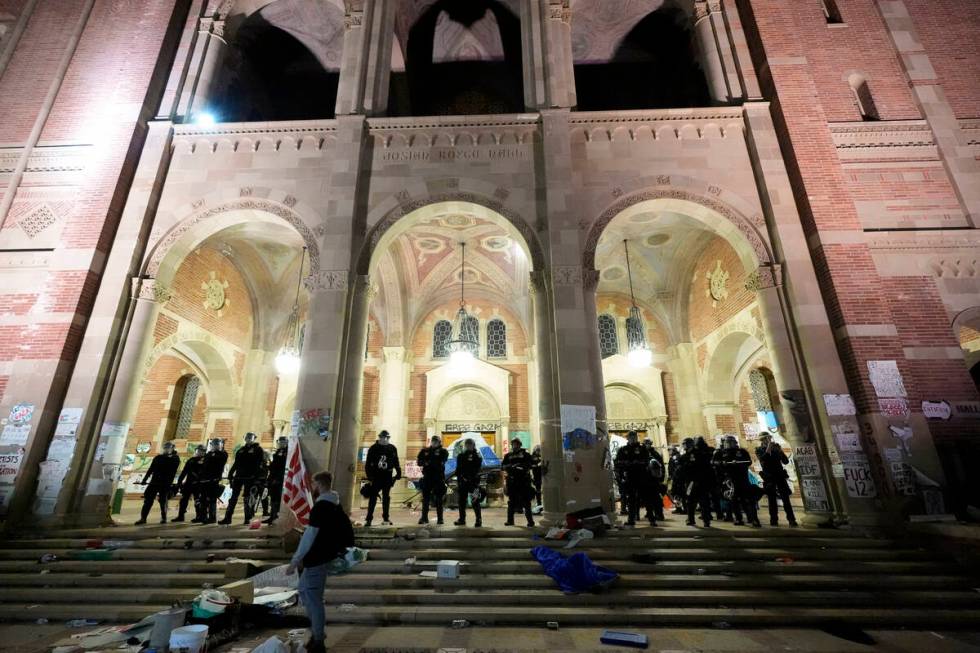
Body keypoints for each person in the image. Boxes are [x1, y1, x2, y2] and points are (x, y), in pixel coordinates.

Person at [287, 471, 354, 653]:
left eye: (313, 484)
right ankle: (316, 631)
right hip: (322, 556)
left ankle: (318, 639)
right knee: (303, 590)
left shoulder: (322, 507)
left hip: (318, 558)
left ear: (319, 484)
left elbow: (310, 536)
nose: (312, 487)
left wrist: (295, 560)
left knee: (314, 599)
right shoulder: (334, 504)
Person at [219, 432, 265, 525]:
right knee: (233, 498)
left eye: (250, 437)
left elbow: (259, 464)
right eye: (247, 437)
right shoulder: (241, 450)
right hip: (239, 476)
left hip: (250, 477)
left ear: (254, 438)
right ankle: (227, 518)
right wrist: (230, 474)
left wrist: (256, 477)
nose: (248, 439)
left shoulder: (258, 449)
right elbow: (236, 463)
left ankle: (247, 518)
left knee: (247, 498)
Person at [717, 435, 761, 527]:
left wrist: (737, 462)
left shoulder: (742, 451)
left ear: (735, 443)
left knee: (749, 501)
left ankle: (754, 519)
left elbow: (748, 461)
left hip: (743, 479)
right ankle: (738, 519)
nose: (728, 444)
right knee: (734, 501)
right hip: (731, 481)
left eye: (730, 442)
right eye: (727, 442)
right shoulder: (722, 453)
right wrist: (722, 463)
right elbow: (715, 463)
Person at [756, 432, 798, 527]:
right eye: (765, 439)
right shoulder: (759, 450)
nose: (768, 440)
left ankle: (791, 519)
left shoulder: (776, 448)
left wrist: (780, 451)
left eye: (769, 438)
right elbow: (763, 460)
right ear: (762, 441)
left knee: (785, 499)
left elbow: (785, 461)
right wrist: (768, 448)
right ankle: (773, 520)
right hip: (769, 477)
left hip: (780, 476)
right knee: (772, 499)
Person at [135, 441, 181, 525]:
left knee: (163, 501)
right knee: (148, 501)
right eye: (165, 448)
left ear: (172, 449)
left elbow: (173, 468)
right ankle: (143, 518)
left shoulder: (175, 458)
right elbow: (151, 469)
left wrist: (170, 456)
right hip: (154, 482)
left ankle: (163, 518)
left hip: (165, 483)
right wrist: (144, 479)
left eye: (168, 448)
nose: (166, 450)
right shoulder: (158, 457)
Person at [615, 431, 653, 527]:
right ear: (628, 438)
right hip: (630, 477)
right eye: (631, 437)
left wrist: (638, 463)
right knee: (631, 500)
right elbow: (618, 463)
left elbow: (648, 461)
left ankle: (652, 519)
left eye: (634, 437)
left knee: (646, 498)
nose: (633, 438)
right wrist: (627, 465)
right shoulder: (623, 450)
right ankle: (631, 519)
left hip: (641, 476)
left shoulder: (642, 448)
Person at [364, 430, 401, 526]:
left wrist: (398, 472)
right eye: (383, 437)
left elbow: (396, 461)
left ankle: (386, 518)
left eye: (386, 438)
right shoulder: (373, 448)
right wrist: (370, 477)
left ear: (388, 438)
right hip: (376, 476)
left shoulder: (392, 448)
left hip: (387, 476)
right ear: (379, 437)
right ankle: (369, 519)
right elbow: (368, 464)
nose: (384, 439)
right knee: (373, 498)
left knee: (386, 498)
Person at [679, 437, 713, 527]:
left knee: (698, 501)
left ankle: (701, 520)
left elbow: (705, 467)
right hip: (694, 481)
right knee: (695, 501)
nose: (684, 446)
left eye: (685, 444)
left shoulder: (695, 455)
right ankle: (697, 520)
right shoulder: (688, 455)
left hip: (696, 481)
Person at [502, 437, 535, 527]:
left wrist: (521, 466)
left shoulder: (525, 454)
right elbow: (503, 466)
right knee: (511, 502)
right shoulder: (508, 455)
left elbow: (530, 464)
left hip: (523, 481)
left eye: (516, 444)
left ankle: (530, 521)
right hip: (512, 481)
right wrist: (511, 467)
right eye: (513, 444)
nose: (515, 446)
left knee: (526, 502)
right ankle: (510, 521)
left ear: (520, 445)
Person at [417, 435, 449, 525]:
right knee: (426, 499)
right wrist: (428, 462)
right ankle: (424, 518)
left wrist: (428, 462)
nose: (434, 443)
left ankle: (440, 519)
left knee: (439, 499)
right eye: (433, 441)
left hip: (438, 478)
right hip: (427, 477)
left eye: (436, 441)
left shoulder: (443, 451)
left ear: (439, 442)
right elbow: (419, 462)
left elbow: (442, 461)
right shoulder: (425, 450)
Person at [454, 438, 483, 527]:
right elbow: (458, 469)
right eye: (467, 445)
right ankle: (462, 519)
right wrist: (459, 477)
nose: (468, 446)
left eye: (470, 444)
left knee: (475, 501)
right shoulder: (461, 456)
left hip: (473, 482)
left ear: (473, 446)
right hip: (463, 482)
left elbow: (476, 467)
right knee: (462, 502)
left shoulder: (477, 456)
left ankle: (478, 520)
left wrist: (470, 476)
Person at [172, 445, 206, 523]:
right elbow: (184, 471)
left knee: (198, 501)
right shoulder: (191, 460)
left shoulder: (206, 460)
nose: (199, 452)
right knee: (183, 500)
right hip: (189, 483)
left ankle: (199, 516)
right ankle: (181, 516)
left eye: (202, 451)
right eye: (198, 450)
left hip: (199, 484)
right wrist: (179, 482)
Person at [200, 438, 227, 524]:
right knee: (203, 499)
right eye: (213, 445)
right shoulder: (208, 454)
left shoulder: (222, 454)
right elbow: (204, 466)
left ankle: (212, 517)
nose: (215, 446)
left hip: (214, 479)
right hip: (205, 479)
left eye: (217, 444)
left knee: (212, 499)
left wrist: (215, 453)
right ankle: (203, 516)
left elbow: (220, 462)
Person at [263, 436, 288, 524]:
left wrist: (278, 478)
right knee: (273, 496)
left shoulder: (287, 452)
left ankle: (275, 515)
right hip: (273, 477)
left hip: (281, 478)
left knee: (278, 497)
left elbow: (284, 467)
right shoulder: (278, 452)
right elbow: (275, 466)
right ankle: (272, 515)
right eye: (280, 442)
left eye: (283, 442)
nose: (281, 444)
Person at [643, 438, 666, 522]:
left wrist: (661, 478)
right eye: (645, 443)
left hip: (655, 479)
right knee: (647, 498)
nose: (646, 445)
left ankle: (659, 514)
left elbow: (661, 466)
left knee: (657, 498)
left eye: (648, 443)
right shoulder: (642, 453)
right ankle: (650, 512)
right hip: (646, 479)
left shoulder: (655, 454)